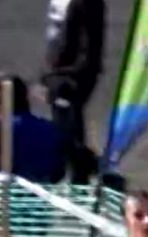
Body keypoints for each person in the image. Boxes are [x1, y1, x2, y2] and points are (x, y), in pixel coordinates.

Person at [41, 0, 106, 183]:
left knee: (68, 131)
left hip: (70, 77)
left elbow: (90, 43)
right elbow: (55, 38)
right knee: (62, 129)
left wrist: (70, 75)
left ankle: (82, 174)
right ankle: (78, 170)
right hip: (57, 74)